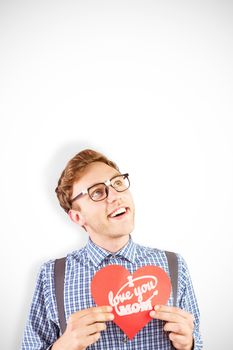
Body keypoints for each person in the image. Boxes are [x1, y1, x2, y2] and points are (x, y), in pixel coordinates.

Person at [20, 149, 203, 350]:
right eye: (97, 192)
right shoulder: (51, 276)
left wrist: (190, 345)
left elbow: (198, 342)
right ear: (77, 217)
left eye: (117, 183)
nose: (115, 196)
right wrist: (62, 347)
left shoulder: (174, 265)